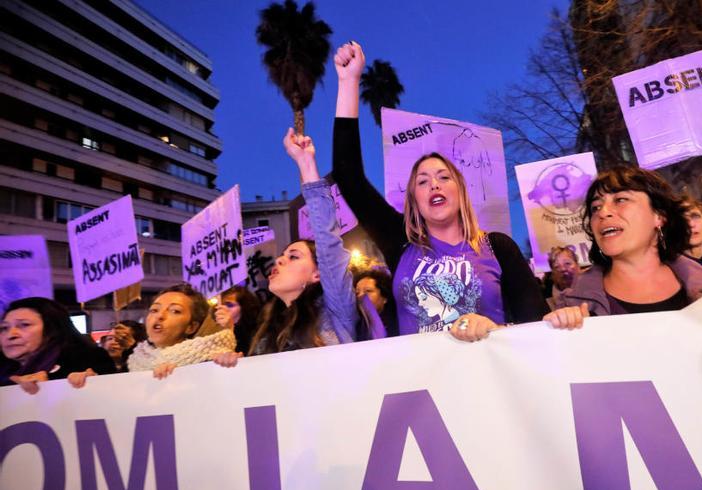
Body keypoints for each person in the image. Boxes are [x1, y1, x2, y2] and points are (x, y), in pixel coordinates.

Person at [332, 41, 547, 342]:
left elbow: (535, 329)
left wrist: (495, 330)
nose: (433, 183)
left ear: (460, 192)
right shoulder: (401, 244)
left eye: (444, 177)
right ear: (415, 202)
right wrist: (348, 82)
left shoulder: (499, 248)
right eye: (422, 181)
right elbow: (348, 177)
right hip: (423, 385)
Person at [543, 167, 702, 330]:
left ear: (659, 216)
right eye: (596, 207)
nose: (603, 212)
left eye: (621, 200)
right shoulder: (576, 305)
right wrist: (562, 335)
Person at [214, 134, 358, 367]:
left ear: (318, 274)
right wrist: (233, 364)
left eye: (293, 257)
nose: (279, 261)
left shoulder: (334, 311)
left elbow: (328, 241)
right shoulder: (267, 330)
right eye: (281, 256)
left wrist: (306, 163)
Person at [1, 297, 115, 394]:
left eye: (24, 325)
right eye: (4, 328)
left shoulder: (88, 359)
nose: (10, 335)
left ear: (52, 328)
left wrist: (94, 384)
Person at [127, 284, 236, 379]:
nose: (159, 316)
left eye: (175, 311)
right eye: (154, 310)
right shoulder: (134, 362)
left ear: (191, 327)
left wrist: (225, 366)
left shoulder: (211, 360)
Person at [214, 286, 261, 354]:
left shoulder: (258, 332)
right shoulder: (215, 332)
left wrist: (229, 327)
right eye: (221, 305)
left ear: (245, 307)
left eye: (229, 305)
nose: (223, 308)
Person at [354, 268, 399, 338]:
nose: (361, 296)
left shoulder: (397, 323)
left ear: (384, 298)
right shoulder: (357, 325)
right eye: (357, 293)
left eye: (368, 291)